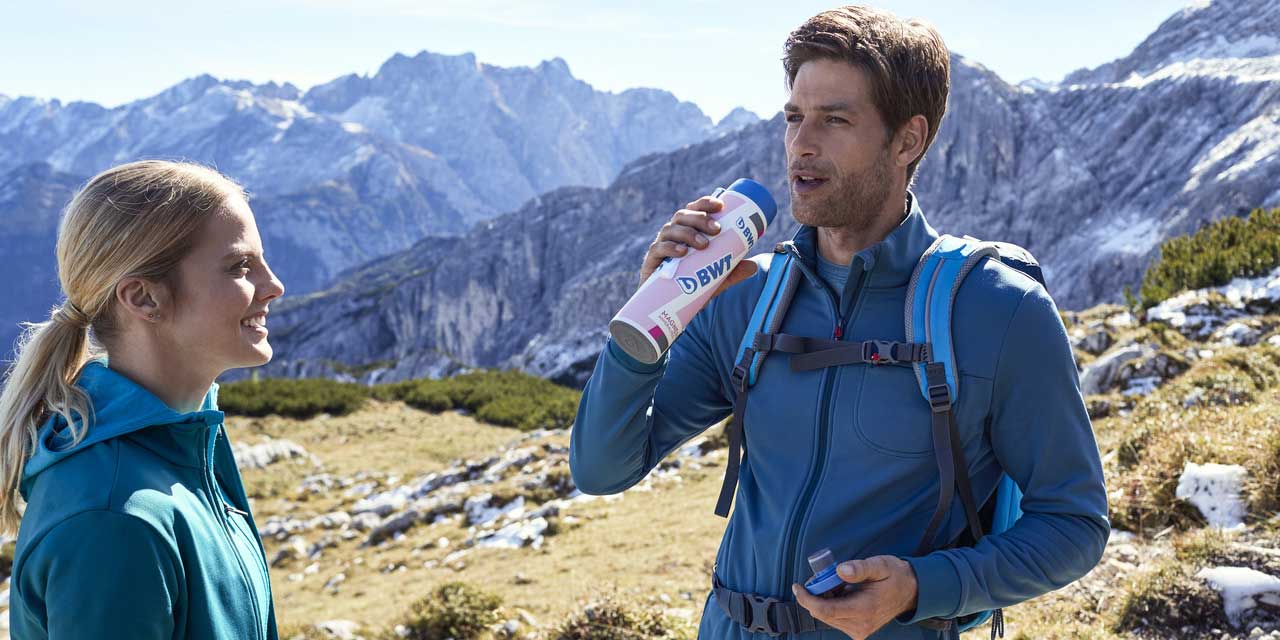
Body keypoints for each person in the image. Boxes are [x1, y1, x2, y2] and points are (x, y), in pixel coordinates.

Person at [570, 5, 1109, 639]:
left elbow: (1073, 525)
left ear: (907, 140)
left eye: (835, 119)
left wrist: (920, 587)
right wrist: (652, 317)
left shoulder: (998, 309)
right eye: (795, 117)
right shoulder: (750, 296)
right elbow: (602, 469)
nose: (802, 142)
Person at [0, 160, 285, 639]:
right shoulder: (113, 521)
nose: (273, 285)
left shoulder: (183, 449)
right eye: (240, 265)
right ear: (144, 298)